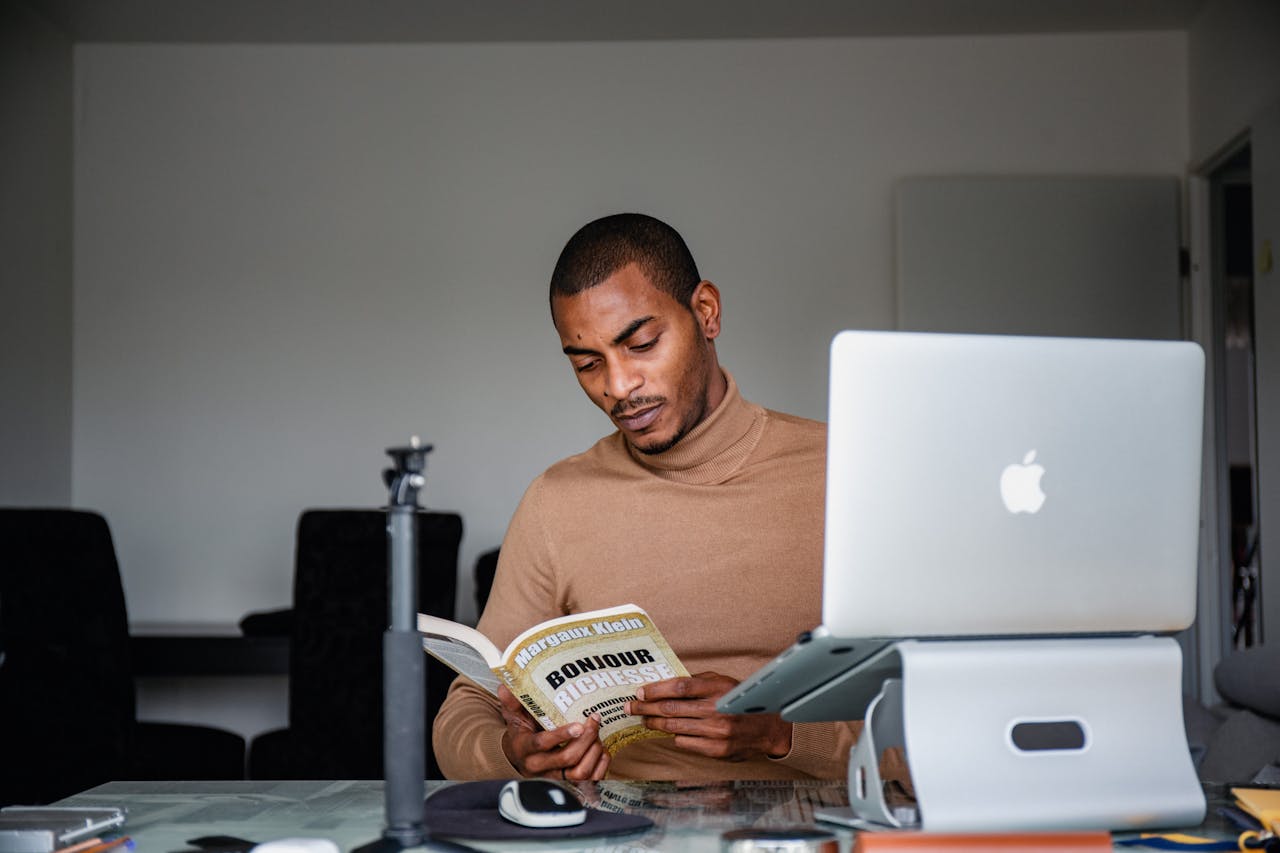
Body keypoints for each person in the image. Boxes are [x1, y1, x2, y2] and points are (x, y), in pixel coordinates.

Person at [433, 213, 860, 780]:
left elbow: (946, 723)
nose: (617, 386)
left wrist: (781, 733)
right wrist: (513, 754)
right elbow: (464, 714)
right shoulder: (556, 500)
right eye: (587, 363)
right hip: (618, 833)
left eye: (640, 344)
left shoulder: (846, 473)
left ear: (705, 312)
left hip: (812, 831)